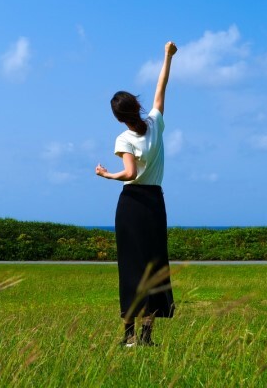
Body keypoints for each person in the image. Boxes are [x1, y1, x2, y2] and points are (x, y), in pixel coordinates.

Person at [95, 41, 177, 347]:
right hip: (155, 203)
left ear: (119, 117)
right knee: (153, 267)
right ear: (137, 106)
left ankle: (128, 337)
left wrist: (107, 174)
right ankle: (146, 336)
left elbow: (129, 174)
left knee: (130, 268)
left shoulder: (123, 138)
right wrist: (167, 56)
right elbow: (161, 85)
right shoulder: (155, 124)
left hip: (132, 205)